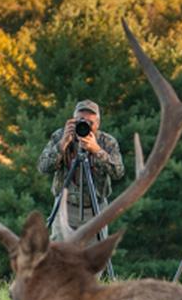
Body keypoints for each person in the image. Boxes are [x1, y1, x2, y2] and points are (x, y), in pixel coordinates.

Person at [38, 100, 125, 242]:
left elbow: (118, 172)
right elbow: (43, 167)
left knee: (95, 259)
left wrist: (97, 150)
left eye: (90, 123)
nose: (85, 126)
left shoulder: (107, 142)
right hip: (65, 209)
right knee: (60, 259)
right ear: (72, 121)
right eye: (80, 121)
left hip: (95, 210)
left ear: (98, 124)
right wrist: (62, 144)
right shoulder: (60, 136)